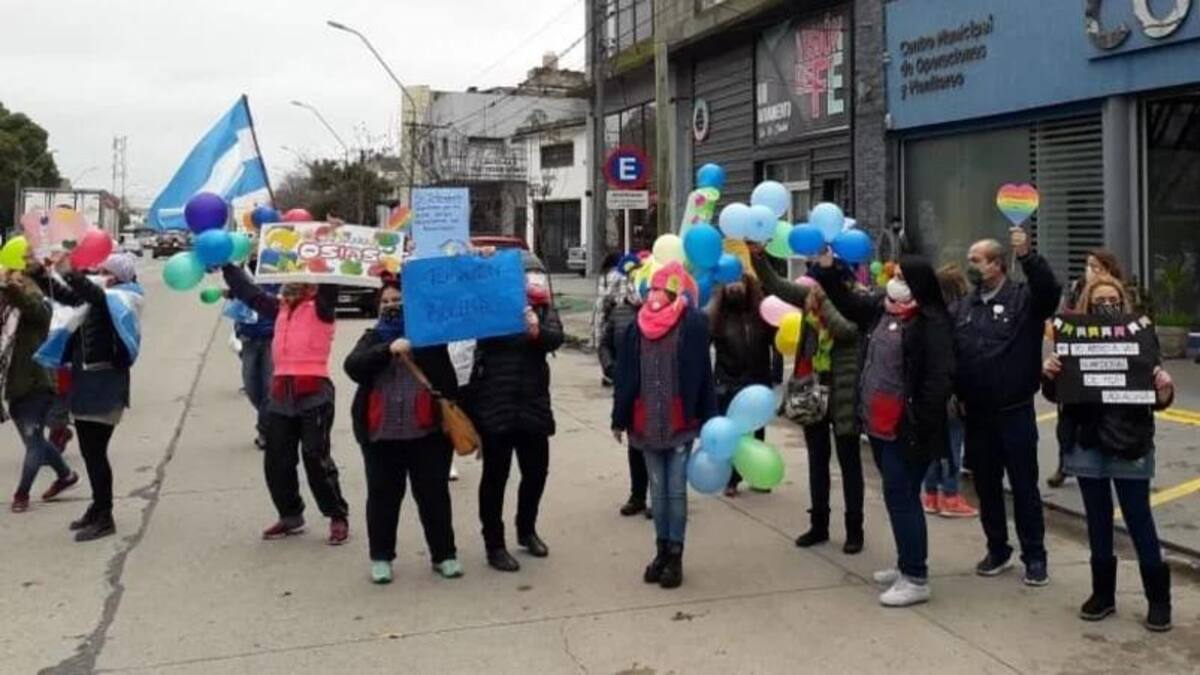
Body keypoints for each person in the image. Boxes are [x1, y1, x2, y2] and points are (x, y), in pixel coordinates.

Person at [813, 252, 954, 607]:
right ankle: (906, 562)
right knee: (895, 497)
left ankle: (916, 577)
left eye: (904, 277)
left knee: (904, 496)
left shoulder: (931, 323)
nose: (895, 280)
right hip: (877, 423)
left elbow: (937, 383)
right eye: (894, 273)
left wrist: (917, 422)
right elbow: (846, 301)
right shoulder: (882, 310)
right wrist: (828, 271)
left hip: (907, 429)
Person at [1041, 275, 1175, 632]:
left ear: (1122, 303)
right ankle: (1103, 594)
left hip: (1130, 439)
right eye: (1099, 300)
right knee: (1096, 521)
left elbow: (1157, 395)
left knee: (1139, 519)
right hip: (1087, 442)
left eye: (1113, 299)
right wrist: (1050, 374)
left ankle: (1159, 600)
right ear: (1087, 304)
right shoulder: (1071, 338)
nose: (1106, 305)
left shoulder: (1141, 337)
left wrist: (1163, 390)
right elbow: (1056, 395)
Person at [956, 229, 1060, 586]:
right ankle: (997, 548)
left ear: (997, 265)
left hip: (1014, 412)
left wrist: (1029, 256)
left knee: (1024, 487)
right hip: (977, 415)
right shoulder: (967, 306)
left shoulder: (1022, 299)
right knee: (986, 487)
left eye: (976, 260)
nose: (970, 266)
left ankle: (1035, 556)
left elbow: (1049, 292)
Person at [344, 276, 463, 583]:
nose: (391, 305)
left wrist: (416, 346)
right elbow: (353, 367)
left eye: (397, 300)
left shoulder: (430, 336)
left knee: (433, 496)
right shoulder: (372, 337)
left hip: (427, 436)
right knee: (382, 498)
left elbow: (446, 380)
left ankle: (444, 555)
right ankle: (381, 558)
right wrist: (387, 349)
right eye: (385, 301)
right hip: (381, 437)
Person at [223, 264, 350, 545]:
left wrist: (326, 246)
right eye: (287, 282)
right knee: (277, 459)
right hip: (281, 391)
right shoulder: (278, 309)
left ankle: (337, 515)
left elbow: (330, 285)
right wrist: (227, 265)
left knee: (315, 456)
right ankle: (291, 515)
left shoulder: (321, 309)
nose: (289, 287)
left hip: (314, 390)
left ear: (310, 286)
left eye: (298, 282)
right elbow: (248, 292)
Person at [612, 262, 718, 590]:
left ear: (676, 293)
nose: (655, 297)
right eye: (652, 290)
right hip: (646, 423)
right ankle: (660, 551)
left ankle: (676, 555)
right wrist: (619, 417)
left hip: (679, 423)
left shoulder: (693, 325)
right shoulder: (635, 328)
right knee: (657, 493)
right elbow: (625, 377)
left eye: (663, 291)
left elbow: (703, 375)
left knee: (675, 491)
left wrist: (708, 418)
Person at [751, 250, 865, 554]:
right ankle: (819, 524)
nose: (814, 280)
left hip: (843, 391)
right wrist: (758, 257)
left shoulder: (860, 301)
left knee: (849, 463)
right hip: (812, 389)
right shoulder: (809, 296)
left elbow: (845, 330)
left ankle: (855, 529)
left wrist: (824, 302)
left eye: (821, 274)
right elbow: (776, 285)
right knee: (817, 460)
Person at [32, 253, 144, 542]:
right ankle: (97, 507)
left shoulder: (121, 299)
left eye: (104, 270)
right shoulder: (101, 298)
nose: (98, 273)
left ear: (119, 276)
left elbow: (91, 294)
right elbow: (68, 297)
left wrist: (68, 270)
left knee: (95, 453)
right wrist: (39, 273)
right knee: (89, 451)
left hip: (105, 385)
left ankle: (105, 515)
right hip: (86, 382)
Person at [467, 253, 564, 572]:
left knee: (536, 472)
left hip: (533, 402)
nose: (530, 281)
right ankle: (494, 544)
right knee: (495, 477)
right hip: (495, 403)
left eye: (534, 275)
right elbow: (477, 334)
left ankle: (527, 529)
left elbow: (556, 338)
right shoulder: (489, 305)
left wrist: (536, 330)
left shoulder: (542, 307)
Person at [1047, 249, 1128, 488]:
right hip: (1078, 373)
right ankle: (1066, 463)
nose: (1091, 271)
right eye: (1088, 265)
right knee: (1069, 423)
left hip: (1116, 375)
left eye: (1097, 266)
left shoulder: (1125, 292)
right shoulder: (1075, 290)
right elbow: (1061, 321)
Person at [3, 268, 78, 513]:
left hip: (37, 385)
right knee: (35, 441)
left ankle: (21, 495)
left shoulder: (40, 308)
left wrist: (7, 284)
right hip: (14, 387)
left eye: (19, 279)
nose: (14, 283)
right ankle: (66, 475)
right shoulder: (9, 314)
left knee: (33, 443)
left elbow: (24, 301)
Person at [708, 273, 782, 498]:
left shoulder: (761, 313)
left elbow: (777, 343)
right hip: (729, 383)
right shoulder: (717, 316)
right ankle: (732, 479)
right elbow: (703, 346)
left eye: (738, 281)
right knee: (733, 433)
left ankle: (758, 474)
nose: (734, 286)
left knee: (757, 431)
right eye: (730, 281)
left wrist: (775, 374)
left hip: (757, 382)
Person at [922, 264, 977, 518]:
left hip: (929, 392)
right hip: (952, 392)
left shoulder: (928, 316)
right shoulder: (960, 317)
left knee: (934, 445)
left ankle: (931, 494)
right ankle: (951, 495)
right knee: (953, 444)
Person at [599, 272, 651, 518]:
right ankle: (637, 495)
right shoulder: (619, 313)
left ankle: (660, 496)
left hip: (657, 389)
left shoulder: (662, 314)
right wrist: (610, 367)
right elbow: (604, 344)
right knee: (635, 445)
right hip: (629, 389)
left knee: (659, 445)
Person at [232, 255, 277, 450]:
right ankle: (270, 419)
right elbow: (240, 288)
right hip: (249, 339)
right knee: (252, 387)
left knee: (268, 387)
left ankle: (265, 430)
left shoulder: (280, 277)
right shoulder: (246, 275)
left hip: (270, 339)